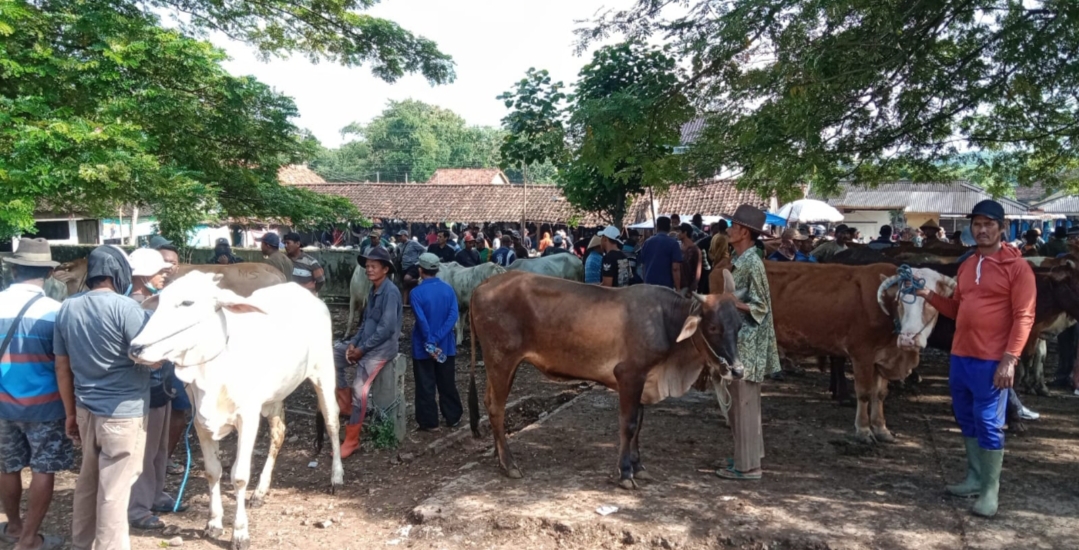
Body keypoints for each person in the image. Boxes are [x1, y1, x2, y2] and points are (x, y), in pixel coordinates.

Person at [915, 199, 1035, 518]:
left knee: (988, 421)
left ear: (1002, 228)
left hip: (992, 359)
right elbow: (957, 310)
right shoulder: (968, 265)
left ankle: (990, 490)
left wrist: (1010, 359)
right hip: (961, 355)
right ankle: (974, 477)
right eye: (977, 224)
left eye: (988, 224)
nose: (981, 230)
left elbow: (1025, 316)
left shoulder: (1017, 268)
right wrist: (928, 296)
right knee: (965, 416)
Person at [56, 246, 161, 550]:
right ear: (119, 274)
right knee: (115, 488)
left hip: (85, 409)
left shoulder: (67, 308)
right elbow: (150, 357)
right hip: (124, 412)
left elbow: (62, 366)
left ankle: (81, 543)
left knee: (88, 481)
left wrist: (70, 413)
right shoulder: (127, 309)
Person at [0, 239, 71, 550]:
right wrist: (71, 412)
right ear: (48, 273)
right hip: (46, 407)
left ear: (13, 268)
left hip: (2, 406)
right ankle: (29, 539)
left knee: (7, 466)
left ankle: (14, 526)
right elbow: (62, 368)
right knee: (44, 467)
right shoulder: (56, 313)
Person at [716, 205, 781, 481]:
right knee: (743, 405)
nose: (728, 230)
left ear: (743, 232)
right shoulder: (743, 259)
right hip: (739, 341)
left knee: (742, 404)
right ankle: (749, 457)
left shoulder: (751, 262)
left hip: (746, 344)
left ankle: (747, 468)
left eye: (732, 226)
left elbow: (762, 306)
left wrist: (733, 303)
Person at [124, 249, 182, 531]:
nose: (164, 276)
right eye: (160, 272)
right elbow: (142, 354)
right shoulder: (135, 308)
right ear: (145, 276)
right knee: (145, 451)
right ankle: (138, 507)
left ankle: (156, 495)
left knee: (159, 449)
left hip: (162, 386)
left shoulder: (153, 305)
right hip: (146, 387)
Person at [335, 246, 402, 458]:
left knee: (359, 388)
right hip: (366, 344)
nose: (368, 269)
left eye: (373, 266)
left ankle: (352, 438)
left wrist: (362, 349)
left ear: (385, 269)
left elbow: (386, 329)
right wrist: (354, 343)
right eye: (367, 266)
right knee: (333, 356)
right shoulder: (373, 290)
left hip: (381, 349)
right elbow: (365, 323)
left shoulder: (390, 292)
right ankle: (346, 407)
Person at [409, 254, 462, 431]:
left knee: (425, 384)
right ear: (437, 269)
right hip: (446, 345)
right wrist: (439, 337)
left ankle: (429, 421)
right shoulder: (448, 290)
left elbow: (421, 320)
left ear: (420, 270)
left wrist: (430, 340)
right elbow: (453, 316)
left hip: (422, 346)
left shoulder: (415, 293)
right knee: (447, 382)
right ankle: (453, 416)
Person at [636, 216, 683, 290]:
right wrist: (678, 288)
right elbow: (675, 268)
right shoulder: (674, 244)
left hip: (649, 284)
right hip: (665, 287)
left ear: (657, 227)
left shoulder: (647, 242)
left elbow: (642, 265)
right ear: (669, 228)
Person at [707, 220, 732, 293]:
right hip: (722, 264)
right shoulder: (724, 238)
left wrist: (713, 261)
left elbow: (710, 251)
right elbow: (721, 254)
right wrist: (717, 265)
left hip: (714, 263)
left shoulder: (715, 236)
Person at [677, 223, 702, 294]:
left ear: (685, 233)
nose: (677, 234)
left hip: (688, 287)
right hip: (677, 286)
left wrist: (692, 289)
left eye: (679, 231)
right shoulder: (679, 247)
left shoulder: (695, 250)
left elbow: (698, 271)